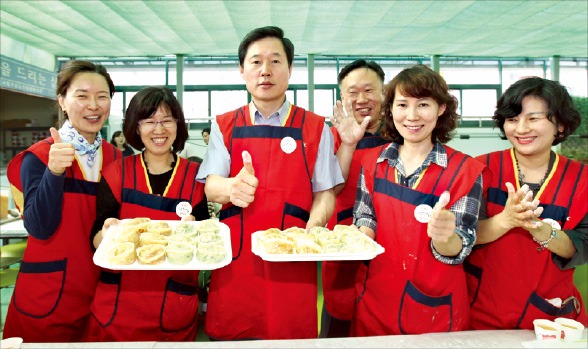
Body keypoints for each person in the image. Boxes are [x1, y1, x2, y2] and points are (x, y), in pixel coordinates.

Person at [196, 26, 343, 340]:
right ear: (242, 70)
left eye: (275, 61)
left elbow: (326, 193)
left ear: (290, 70)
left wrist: (314, 226)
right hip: (237, 262)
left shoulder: (316, 128)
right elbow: (211, 185)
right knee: (233, 335)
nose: (265, 71)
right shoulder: (224, 124)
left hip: (293, 259)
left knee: (290, 336)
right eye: (255, 62)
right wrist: (230, 188)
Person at [349, 64, 488, 336]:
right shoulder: (371, 162)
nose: (411, 116)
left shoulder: (465, 171)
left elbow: (461, 245)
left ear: (441, 109)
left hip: (434, 309)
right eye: (402, 104)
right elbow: (365, 216)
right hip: (375, 300)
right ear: (391, 110)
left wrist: (445, 236)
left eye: (423, 104)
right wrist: (356, 238)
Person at [4, 60, 120, 342]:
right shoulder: (39, 157)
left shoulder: (116, 158)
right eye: (81, 96)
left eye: (101, 96)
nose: (93, 105)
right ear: (62, 102)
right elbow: (39, 226)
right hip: (49, 294)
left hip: (100, 295)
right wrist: (54, 172)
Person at [83, 87, 209, 341]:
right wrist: (105, 235)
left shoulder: (197, 177)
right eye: (150, 122)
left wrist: (195, 230)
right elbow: (95, 238)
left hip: (174, 307)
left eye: (166, 121)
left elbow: (205, 242)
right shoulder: (117, 172)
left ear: (178, 125)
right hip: (118, 308)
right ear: (136, 128)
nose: (159, 130)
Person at [466, 77, 587, 329]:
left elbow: (582, 247)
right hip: (481, 312)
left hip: (551, 317)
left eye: (533, 118)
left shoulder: (582, 180)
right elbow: (463, 234)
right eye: (512, 119)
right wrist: (505, 221)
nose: (521, 129)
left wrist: (542, 231)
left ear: (561, 125)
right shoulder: (479, 169)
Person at [320, 59, 388, 338]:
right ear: (341, 98)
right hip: (343, 245)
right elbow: (331, 189)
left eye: (369, 90)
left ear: (384, 93)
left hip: (391, 243)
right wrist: (348, 143)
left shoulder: (405, 132)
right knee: (339, 320)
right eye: (352, 92)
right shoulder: (329, 137)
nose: (361, 99)